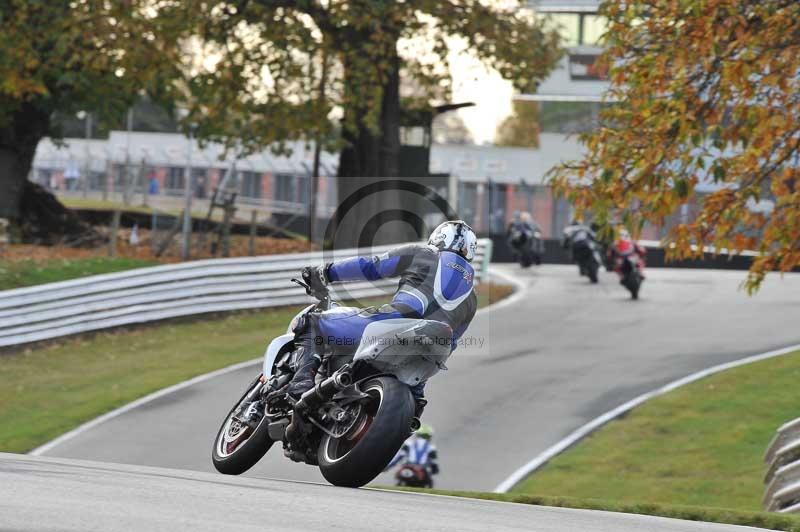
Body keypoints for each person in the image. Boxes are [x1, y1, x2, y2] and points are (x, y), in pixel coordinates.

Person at [288, 220, 479, 418]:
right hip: (426, 355)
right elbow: (451, 343)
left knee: (313, 323)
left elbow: (372, 267)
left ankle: (300, 383)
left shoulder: (424, 253)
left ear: (439, 238)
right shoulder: (472, 299)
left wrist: (325, 272)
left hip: (393, 322)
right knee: (414, 399)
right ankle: (412, 409)